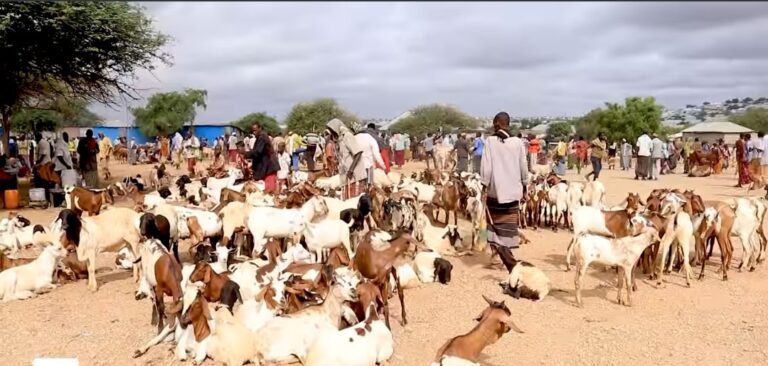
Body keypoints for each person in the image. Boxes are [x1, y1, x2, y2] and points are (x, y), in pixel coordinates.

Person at [481, 111, 527, 258]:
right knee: (509, 224)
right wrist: (524, 186)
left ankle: (496, 254)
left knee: (494, 222)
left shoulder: (490, 142)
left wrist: (484, 185)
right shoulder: (517, 142)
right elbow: (523, 167)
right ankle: (507, 253)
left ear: (497, 124)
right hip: (513, 191)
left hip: (496, 191)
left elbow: (486, 167)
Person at [326, 118, 363, 199]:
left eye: (331, 130)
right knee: (346, 200)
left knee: (354, 201)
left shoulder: (347, 136)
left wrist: (351, 170)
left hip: (354, 175)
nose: (331, 133)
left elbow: (358, 153)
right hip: (345, 175)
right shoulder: (339, 140)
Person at [244, 122, 280, 193]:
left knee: (269, 191)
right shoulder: (260, 137)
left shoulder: (262, 137)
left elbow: (257, 152)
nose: (254, 132)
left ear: (260, 128)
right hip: (265, 167)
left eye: (255, 130)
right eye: (253, 131)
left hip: (269, 167)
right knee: (264, 189)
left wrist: (246, 154)